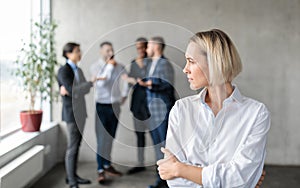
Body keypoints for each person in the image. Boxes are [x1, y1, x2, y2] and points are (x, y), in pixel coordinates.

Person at [157, 29, 270, 188]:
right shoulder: (181, 109)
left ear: (214, 62)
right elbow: (176, 182)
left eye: (191, 61)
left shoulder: (256, 113)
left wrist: (181, 169)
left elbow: (241, 178)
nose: (185, 69)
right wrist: (235, 180)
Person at [138, 36, 176, 188]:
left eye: (149, 46)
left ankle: (167, 182)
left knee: (164, 147)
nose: (146, 49)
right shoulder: (151, 63)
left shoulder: (164, 63)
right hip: (152, 113)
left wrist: (150, 84)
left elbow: (167, 84)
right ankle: (161, 180)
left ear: (156, 46)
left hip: (162, 112)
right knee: (157, 148)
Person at [57, 42, 94, 188]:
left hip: (81, 113)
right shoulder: (63, 70)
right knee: (72, 147)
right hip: (71, 114)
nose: (80, 53)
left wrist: (79, 88)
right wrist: (88, 83)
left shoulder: (78, 70)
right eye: (77, 51)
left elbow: (82, 91)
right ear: (68, 54)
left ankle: (72, 176)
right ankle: (72, 182)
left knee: (77, 145)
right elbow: (73, 91)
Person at [90, 41, 128, 184]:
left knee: (110, 137)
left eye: (111, 50)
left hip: (115, 106)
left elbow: (126, 81)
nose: (110, 53)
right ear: (101, 52)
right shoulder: (95, 67)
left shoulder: (120, 66)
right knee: (101, 139)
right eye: (107, 50)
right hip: (102, 106)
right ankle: (100, 169)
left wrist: (124, 95)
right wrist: (110, 68)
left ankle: (107, 165)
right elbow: (100, 85)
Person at [123, 37, 150, 174]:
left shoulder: (153, 62)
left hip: (151, 105)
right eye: (138, 47)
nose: (140, 50)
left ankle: (160, 167)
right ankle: (140, 163)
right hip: (137, 104)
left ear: (147, 47)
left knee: (157, 136)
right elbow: (129, 83)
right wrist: (130, 80)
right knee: (139, 135)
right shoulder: (133, 63)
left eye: (142, 47)